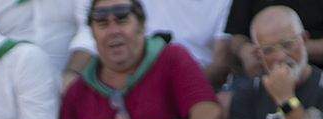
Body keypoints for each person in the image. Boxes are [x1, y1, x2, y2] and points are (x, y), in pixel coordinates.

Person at [56, 0, 220, 119]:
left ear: (141, 25)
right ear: (92, 33)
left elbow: (208, 113)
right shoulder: (78, 91)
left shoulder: (172, 59)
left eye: (122, 20)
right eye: (102, 24)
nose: (113, 31)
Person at [58, 0, 232, 87]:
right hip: (124, 78)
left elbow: (220, 63)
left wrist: (174, 86)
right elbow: (93, 36)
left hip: (191, 82)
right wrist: (72, 74)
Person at [225, 0, 323, 80]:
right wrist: (245, 51)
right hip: (263, 73)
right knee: (230, 99)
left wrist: (289, 49)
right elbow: (237, 35)